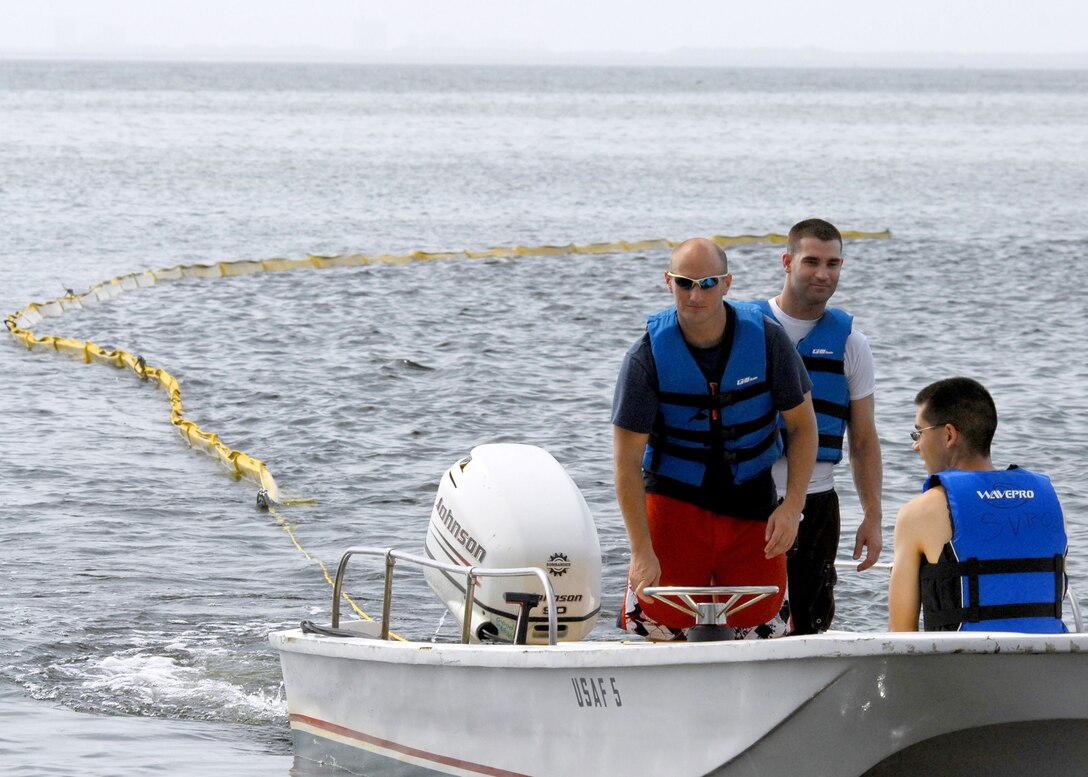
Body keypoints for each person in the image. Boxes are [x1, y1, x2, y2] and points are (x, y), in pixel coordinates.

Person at [612, 237, 817, 640]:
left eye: (708, 283)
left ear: (727, 284)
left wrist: (792, 506)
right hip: (674, 503)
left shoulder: (768, 341)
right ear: (668, 283)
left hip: (752, 503)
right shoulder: (645, 358)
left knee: (765, 624)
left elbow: (803, 427)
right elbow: (625, 463)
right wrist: (641, 550)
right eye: (686, 283)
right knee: (659, 622)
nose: (696, 294)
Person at [750, 218, 883, 635]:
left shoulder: (851, 345)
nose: (823, 273)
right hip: (749, 497)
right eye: (811, 261)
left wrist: (873, 516)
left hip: (818, 503)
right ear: (787, 261)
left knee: (810, 624)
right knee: (743, 617)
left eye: (833, 263)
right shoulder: (744, 329)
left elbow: (862, 440)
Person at [888, 377, 1068, 633]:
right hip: (1047, 669)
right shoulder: (1050, 501)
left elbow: (900, 633)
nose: (915, 445)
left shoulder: (918, 514)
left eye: (919, 433)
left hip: (962, 670)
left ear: (949, 434)